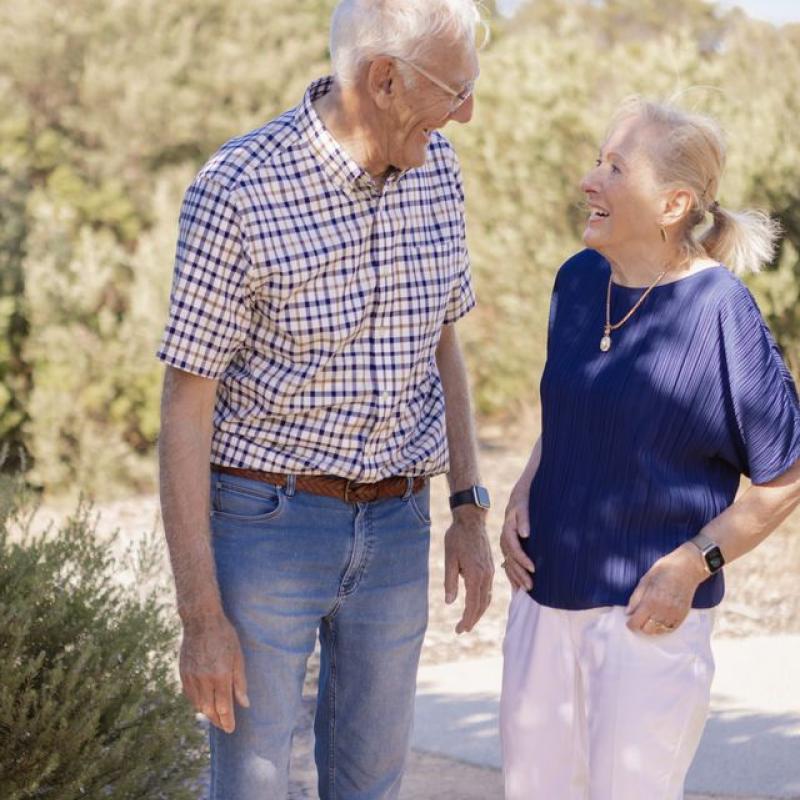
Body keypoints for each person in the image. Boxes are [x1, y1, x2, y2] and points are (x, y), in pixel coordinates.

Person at [156, 2, 494, 798]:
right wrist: (201, 618)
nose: (468, 114)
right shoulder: (238, 189)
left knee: (370, 784)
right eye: (456, 89)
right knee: (255, 786)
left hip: (399, 527)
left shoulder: (436, 169)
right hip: (265, 527)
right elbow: (183, 408)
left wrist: (469, 506)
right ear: (384, 80)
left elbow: (442, 341)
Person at [499, 97, 800, 800]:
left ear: (673, 204)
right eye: (597, 160)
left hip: (646, 624)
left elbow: (784, 479)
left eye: (613, 167)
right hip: (541, 603)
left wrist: (697, 564)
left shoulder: (719, 310)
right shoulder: (577, 281)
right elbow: (573, 406)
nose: (589, 181)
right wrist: (525, 486)